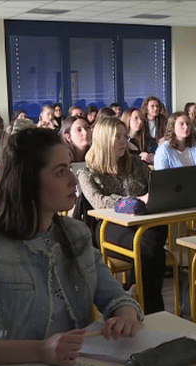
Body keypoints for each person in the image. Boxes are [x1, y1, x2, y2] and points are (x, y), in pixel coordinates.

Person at [0, 126, 145, 366]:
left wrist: (125, 314)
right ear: (27, 181)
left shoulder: (77, 234)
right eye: (60, 172)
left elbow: (115, 297)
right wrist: (41, 351)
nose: (74, 181)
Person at [78, 118, 168, 313]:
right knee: (153, 248)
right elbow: (99, 202)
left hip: (144, 223)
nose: (122, 141)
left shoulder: (136, 163)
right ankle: (153, 309)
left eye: (124, 137)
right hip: (109, 227)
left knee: (153, 237)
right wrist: (137, 200)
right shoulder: (87, 173)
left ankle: (136, 291)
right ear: (103, 139)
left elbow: (156, 187)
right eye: (117, 137)